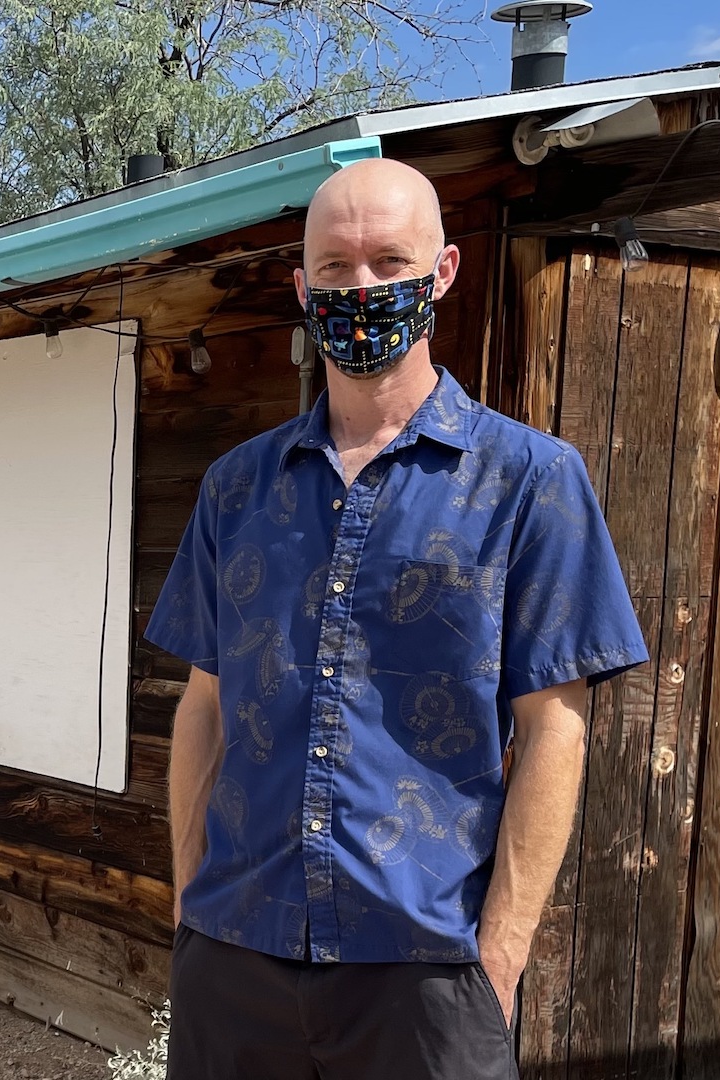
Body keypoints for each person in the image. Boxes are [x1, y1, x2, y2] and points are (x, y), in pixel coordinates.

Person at [145, 157, 649, 1080]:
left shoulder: (530, 484)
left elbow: (553, 733)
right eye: (334, 268)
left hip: (425, 974)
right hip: (234, 956)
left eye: (388, 261)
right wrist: (189, 903)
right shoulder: (237, 488)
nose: (361, 286)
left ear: (443, 272)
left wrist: (499, 957)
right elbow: (205, 707)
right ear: (301, 286)